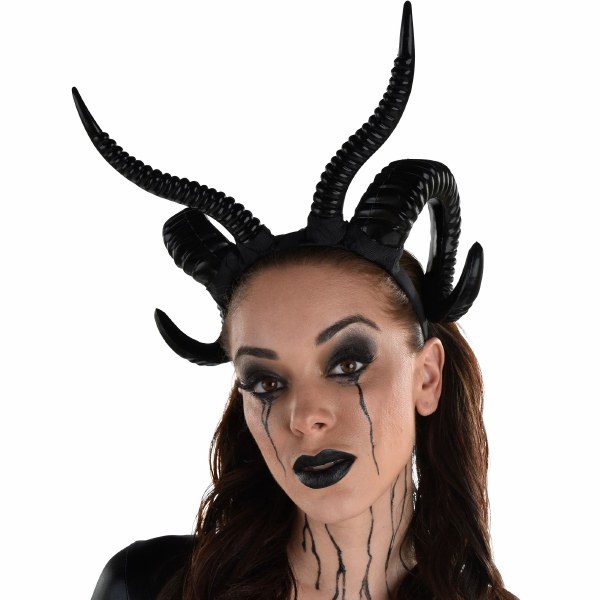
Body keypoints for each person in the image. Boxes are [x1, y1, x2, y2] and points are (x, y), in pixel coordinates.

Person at [75, 3, 517, 599]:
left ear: (427, 377)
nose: (303, 417)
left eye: (348, 363)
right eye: (265, 381)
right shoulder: (149, 585)